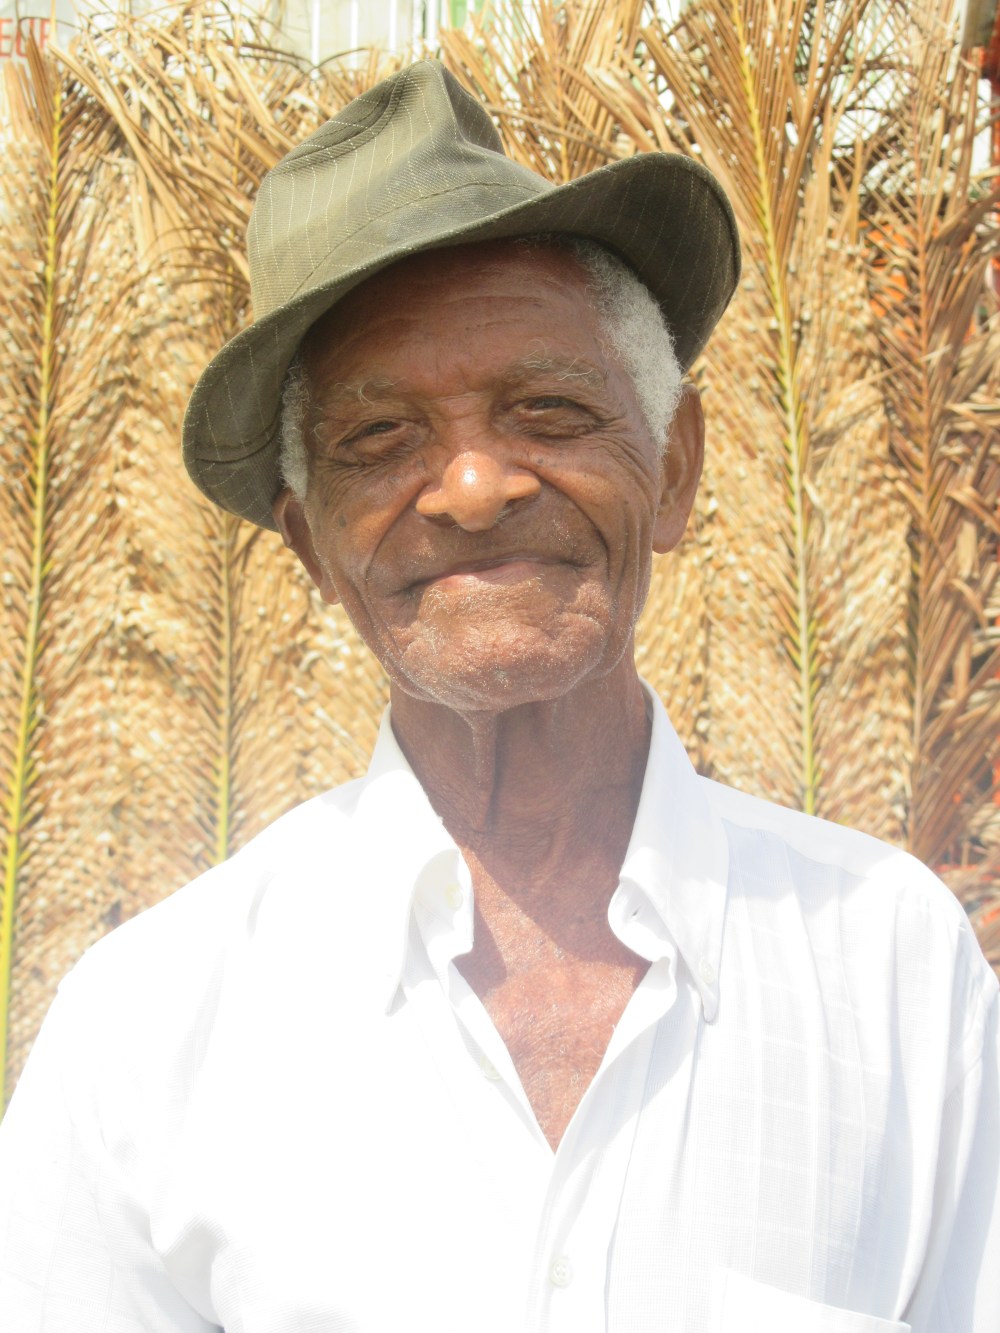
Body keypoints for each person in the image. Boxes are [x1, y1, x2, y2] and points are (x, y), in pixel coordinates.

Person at [0, 59, 996, 1333]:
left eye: (548, 407)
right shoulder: (150, 1030)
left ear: (675, 471)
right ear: (312, 549)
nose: (472, 487)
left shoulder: (890, 967)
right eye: (381, 439)